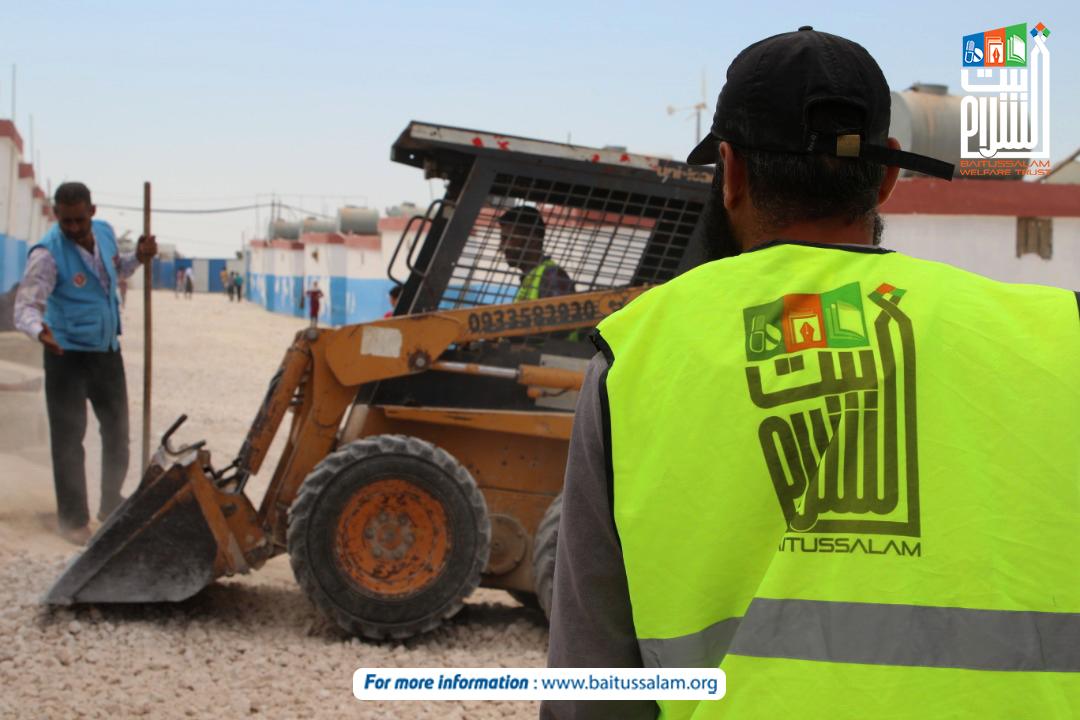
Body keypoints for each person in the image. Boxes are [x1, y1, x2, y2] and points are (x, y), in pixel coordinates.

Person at [543, 28, 1078, 720]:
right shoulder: (1058, 333)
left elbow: (595, 687)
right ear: (886, 177)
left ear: (730, 171)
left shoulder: (635, 355)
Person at [13, 182, 156, 546]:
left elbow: (116, 271)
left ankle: (110, 503)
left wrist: (139, 256)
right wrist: (38, 330)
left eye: (80, 220)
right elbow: (25, 306)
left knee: (118, 432)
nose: (74, 228)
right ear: (57, 215)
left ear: (92, 211)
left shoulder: (106, 233)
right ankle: (72, 519)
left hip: (106, 350)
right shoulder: (46, 254)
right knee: (68, 439)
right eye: (67, 221)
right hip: (65, 355)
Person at [496, 206, 575, 300]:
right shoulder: (530, 279)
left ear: (533, 240)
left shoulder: (551, 277)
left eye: (508, 238)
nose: (502, 246)